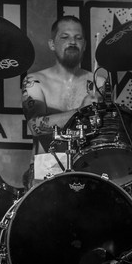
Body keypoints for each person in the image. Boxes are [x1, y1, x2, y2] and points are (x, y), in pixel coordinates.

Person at [21, 15, 104, 188]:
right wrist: (81, 111)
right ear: (52, 44)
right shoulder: (35, 81)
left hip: (89, 168)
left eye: (78, 38)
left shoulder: (99, 83)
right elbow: (35, 126)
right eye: (65, 37)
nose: (72, 42)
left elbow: (107, 133)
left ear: (85, 45)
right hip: (47, 166)